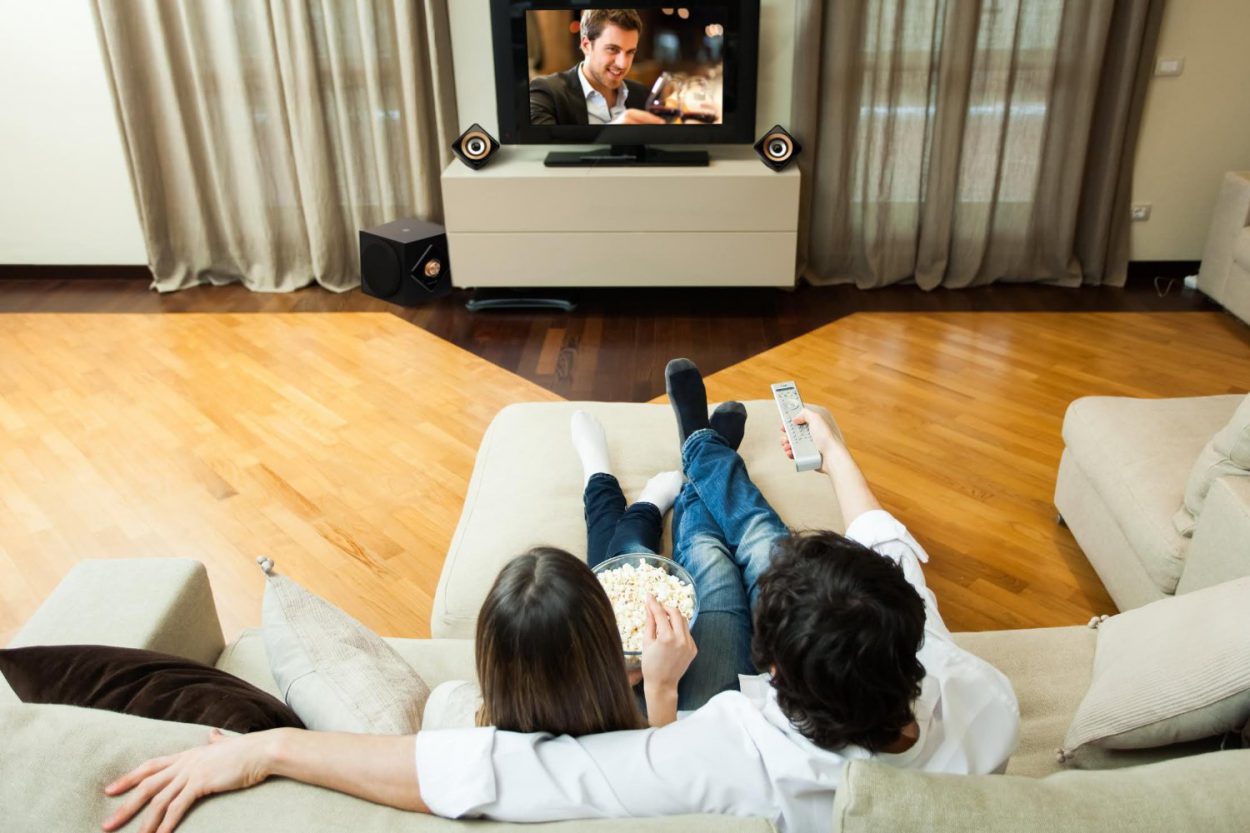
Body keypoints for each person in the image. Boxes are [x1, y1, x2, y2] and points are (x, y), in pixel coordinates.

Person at [102, 360, 1020, 833]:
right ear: (905, 636)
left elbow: (484, 769)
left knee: (717, 548)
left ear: (773, 671)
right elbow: (885, 546)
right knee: (731, 543)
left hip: (706, 677)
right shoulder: (983, 697)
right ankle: (702, 457)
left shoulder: (727, 758)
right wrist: (837, 445)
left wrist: (272, 748)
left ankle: (700, 457)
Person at [529, 9, 665, 126]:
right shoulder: (546, 93)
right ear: (586, 46)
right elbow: (541, 150)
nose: (622, 64)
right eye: (612, 49)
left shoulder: (641, 95)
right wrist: (612, 134)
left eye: (630, 52)